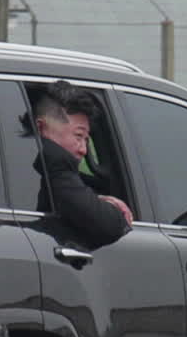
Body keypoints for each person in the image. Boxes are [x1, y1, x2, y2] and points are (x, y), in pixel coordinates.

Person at [31, 80, 134, 247]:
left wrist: (94, 199)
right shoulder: (54, 161)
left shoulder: (31, 165)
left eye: (86, 140)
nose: (84, 150)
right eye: (78, 136)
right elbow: (105, 224)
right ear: (42, 128)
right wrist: (116, 212)